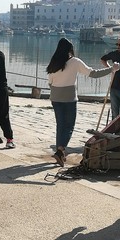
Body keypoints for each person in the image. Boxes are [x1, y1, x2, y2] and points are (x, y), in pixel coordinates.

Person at [46, 37, 119, 167]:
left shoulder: (54, 62)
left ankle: (60, 151)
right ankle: (60, 150)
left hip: (55, 97)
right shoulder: (75, 62)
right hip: (69, 98)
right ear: (71, 49)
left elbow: (50, 82)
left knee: (60, 125)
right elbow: (93, 74)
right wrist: (112, 69)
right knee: (69, 127)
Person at [101, 38, 120, 120]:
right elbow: (103, 59)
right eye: (117, 45)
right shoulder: (114, 54)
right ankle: (115, 130)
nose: (118, 47)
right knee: (114, 111)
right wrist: (110, 69)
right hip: (114, 86)